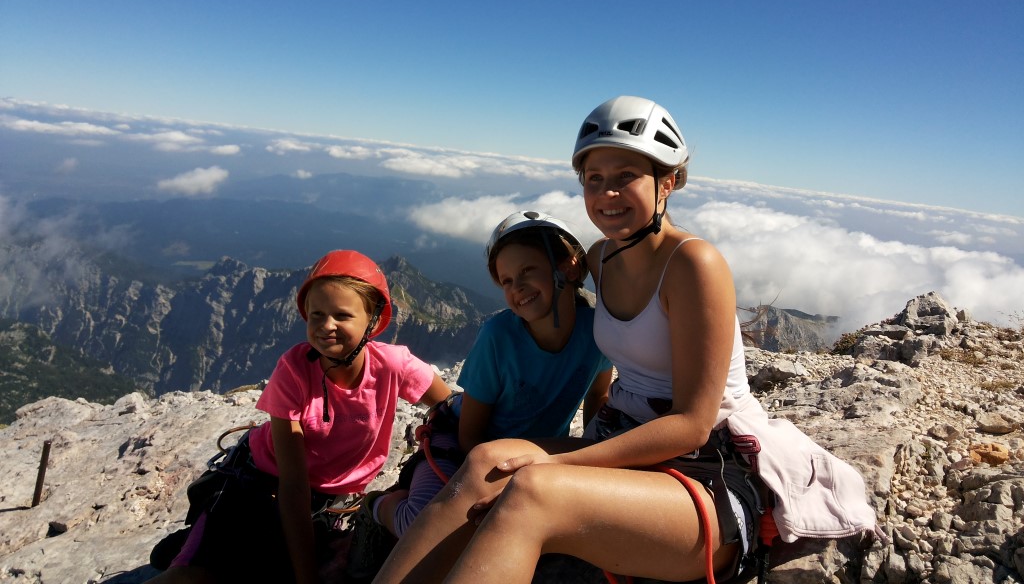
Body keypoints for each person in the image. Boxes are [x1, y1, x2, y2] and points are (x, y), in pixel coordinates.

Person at [371, 96, 878, 584]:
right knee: (485, 461)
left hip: (707, 469)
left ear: (668, 182)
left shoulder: (694, 264)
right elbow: (561, 281)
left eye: (625, 177)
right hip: (625, 441)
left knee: (531, 489)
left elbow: (692, 425)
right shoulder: (602, 257)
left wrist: (557, 460)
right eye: (594, 179)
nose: (606, 194)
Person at [150, 249, 450, 584]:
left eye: (342, 315)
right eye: (316, 314)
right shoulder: (293, 371)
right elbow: (293, 486)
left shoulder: (394, 365)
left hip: (323, 504)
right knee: (188, 577)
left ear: (372, 320)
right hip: (257, 483)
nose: (326, 326)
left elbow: (451, 408)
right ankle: (200, 540)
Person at [367, 211, 613, 543]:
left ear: (568, 267)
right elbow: (470, 437)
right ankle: (379, 505)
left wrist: (590, 457)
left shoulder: (597, 332)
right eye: (507, 281)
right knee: (422, 528)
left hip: (536, 455)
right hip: (460, 444)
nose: (517, 288)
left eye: (527, 271)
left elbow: (598, 396)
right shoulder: (498, 337)